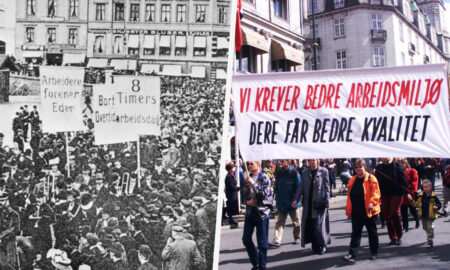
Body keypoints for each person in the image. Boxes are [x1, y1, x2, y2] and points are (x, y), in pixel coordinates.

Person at [343, 159, 380, 264]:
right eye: (356, 167)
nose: (358, 169)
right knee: (355, 234)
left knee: (372, 233)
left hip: (369, 211)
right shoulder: (352, 180)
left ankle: (374, 252)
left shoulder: (371, 178)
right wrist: (348, 208)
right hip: (356, 212)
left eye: (360, 167)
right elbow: (349, 196)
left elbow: (376, 193)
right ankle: (352, 254)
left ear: (364, 167)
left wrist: (372, 202)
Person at [292, 158, 330, 255]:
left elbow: (327, 186)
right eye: (310, 160)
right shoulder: (305, 172)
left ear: (317, 160)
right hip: (308, 203)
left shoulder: (324, 171)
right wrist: (296, 199)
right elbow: (301, 187)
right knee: (311, 225)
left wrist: (327, 200)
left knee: (319, 225)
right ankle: (315, 245)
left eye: (313, 160)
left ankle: (323, 244)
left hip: (319, 202)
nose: (312, 162)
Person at [242, 161, 273, 270]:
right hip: (250, 212)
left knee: (262, 241)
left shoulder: (264, 177)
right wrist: (248, 201)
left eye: (252, 164)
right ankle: (256, 262)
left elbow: (264, 194)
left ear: (257, 164)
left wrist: (253, 184)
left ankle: (262, 265)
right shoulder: (247, 177)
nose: (249, 166)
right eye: (248, 164)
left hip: (261, 213)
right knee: (246, 239)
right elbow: (245, 194)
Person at [374, 158, 409, 245]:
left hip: (396, 192)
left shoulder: (396, 165)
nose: (384, 157)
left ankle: (399, 235)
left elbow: (402, 178)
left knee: (393, 213)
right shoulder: (379, 167)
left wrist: (407, 192)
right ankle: (393, 237)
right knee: (386, 215)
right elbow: (376, 182)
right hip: (384, 193)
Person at [269, 160, 301, 248]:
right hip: (282, 202)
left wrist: (296, 199)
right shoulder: (279, 173)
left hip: (292, 202)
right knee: (279, 222)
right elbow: (276, 187)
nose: (282, 162)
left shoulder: (294, 173)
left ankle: (297, 237)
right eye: (281, 161)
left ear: (289, 161)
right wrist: (276, 197)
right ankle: (276, 240)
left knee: (296, 222)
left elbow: (299, 188)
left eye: (284, 161)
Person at [411, 179, 441, 248]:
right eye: (424, 187)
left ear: (430, 187)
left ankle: (430, 240)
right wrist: (411, 201)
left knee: (430, 227)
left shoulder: (433, 196)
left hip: (430, 215)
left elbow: (439, 203)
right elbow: (416, 204)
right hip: (423, 215)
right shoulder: (421, 196)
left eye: (427, 187)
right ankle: (429, 234)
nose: (426, 188)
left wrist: (437, 206)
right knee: (425, 228)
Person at [399, 159, 419, 231]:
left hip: (410, 193)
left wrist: (410, 192)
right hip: (402, 194)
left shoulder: (412, 171)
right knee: (403, 211)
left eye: (402, 163)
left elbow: (415, 182)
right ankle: (405, 226)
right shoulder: (399, 172)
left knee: (412, 209)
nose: (401, 165)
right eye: (400, 164)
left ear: (405, 164)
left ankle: (417, 220)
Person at [224, 162, 239, 229]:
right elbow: (231, 186)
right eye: (232, 168)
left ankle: (232, 219)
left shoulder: (231, 175)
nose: (233, 169)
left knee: (233, 206)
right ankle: (231, 219)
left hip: (233, 193)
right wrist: (237, 188)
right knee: (231, 207)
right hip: (231, 194)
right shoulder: (228, 177)